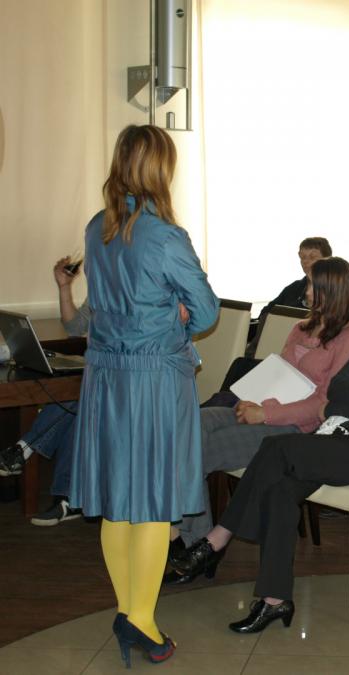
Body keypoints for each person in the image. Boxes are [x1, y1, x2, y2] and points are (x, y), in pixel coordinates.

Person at [170, 276, 349, 634]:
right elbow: (337, 392)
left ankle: (217, 539)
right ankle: (275, 599)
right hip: (334, 440)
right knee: (281, 489)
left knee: (276, 448)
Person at [68, 125, 219, 667]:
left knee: (118, 501)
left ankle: (129, 613)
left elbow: (99, 304)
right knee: (153, 502)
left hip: (106, 375)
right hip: (153, 379)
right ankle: (141, 620)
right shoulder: (165, 236)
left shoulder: (97, 229)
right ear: (160, 169)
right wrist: (176, 317)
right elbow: (207, 311)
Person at [166, 257, 349, 583]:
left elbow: (324, 403)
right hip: (263, 410)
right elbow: (278, 374)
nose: (307, 291)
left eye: (313, 285)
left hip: (297, 428)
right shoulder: (301, 327)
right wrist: (252, 399)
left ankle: (191, 545)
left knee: (199, 451)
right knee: (190, 425)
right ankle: (194, 544)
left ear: (332, 289)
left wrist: (265, 413)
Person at [0, 257, 92, 526]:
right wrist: (64, 287)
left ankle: (23, 448)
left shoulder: (134, 288)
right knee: (75, 396)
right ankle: (67, 499)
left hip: (127, 379)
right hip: (97, 372)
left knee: (77, 393)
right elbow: (75, 327)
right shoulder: (104, 287)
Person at [259, 237, 332, 315]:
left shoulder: (337, 289)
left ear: (327, 259)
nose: (305, 261)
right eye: (302, 257)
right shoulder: (294, 288)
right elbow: (266, 313)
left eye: (312, 257)